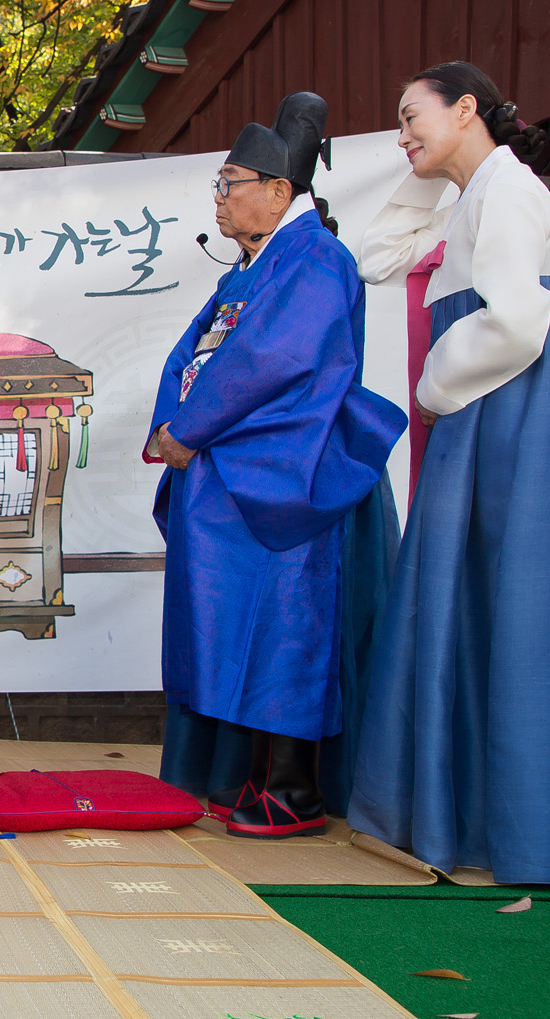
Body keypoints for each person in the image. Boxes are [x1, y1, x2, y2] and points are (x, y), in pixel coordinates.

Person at [349, 62, 550, 886]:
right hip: (491, 405)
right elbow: (375, 257)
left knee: (524, 600)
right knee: (486, 593)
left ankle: (539, 825)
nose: (402, 135)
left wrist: (431, 389)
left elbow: (518, 320)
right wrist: (429, 172)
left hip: (514, 404)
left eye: (412, 116)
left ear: (467, 109)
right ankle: (497, 818)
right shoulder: (474, 193)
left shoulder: (509, 187)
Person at [146, 92, 406, 839]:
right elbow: (196, 349)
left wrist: (189, 429)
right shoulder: (255, 263)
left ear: (278, 190)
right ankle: (234, 775)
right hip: (225, 469)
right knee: (222, 626)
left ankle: (293, 786)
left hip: (284, 479)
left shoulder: (319, 259)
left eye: (229, 184)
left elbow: (274, 359)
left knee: (287, 625)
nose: (219, 199)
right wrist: (171, 424)